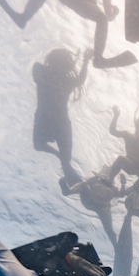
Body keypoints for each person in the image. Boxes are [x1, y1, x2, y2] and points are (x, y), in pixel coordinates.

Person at [0, 0, 136, 68]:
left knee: (102, 19)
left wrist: (113, 13)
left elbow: (107, 17)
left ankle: (99, 59)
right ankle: (24, 18)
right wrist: (110, 13)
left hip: (84, 3)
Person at [31, 47, 90, 181]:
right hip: (47, 118)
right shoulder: (41, 71)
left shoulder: (64, 80)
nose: (62, 68)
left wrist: (86, 61)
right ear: (52, 61)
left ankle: (65, 168)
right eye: (60, 63)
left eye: (64, 65)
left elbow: (80, 79)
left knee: (65, 157)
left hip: (57, 120)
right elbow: (79, 80)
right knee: (39, 145)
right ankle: (63, 162)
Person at [60, 168, 125, 248]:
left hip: (103, 207)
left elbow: (122, 194)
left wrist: (123, 183)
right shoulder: (95, 180)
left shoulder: (112, 188)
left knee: (109, 229)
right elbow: (82, 185)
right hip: (91, 202)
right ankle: (68, 191)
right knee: (83, 184)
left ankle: (115, 246)